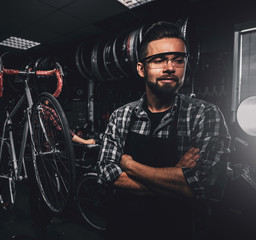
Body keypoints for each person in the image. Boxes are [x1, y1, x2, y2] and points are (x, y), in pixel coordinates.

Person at [97, 21, 231, 240]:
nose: (170, 67)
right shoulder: (121, 116)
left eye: (178, 60)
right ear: (142, 69)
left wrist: (130, 164)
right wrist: (177, 180)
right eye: (159, 60)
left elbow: (208, 186)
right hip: (123, 230)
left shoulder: (204, 115)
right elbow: (106, 175)